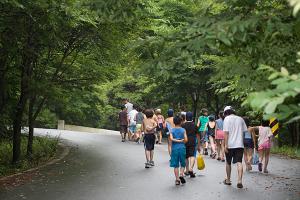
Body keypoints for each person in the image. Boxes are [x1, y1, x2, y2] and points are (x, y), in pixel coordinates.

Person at [223, 106, 247, 189]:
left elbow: (226, 133)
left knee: (228, 162)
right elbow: (244, 133)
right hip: (239, 144)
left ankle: (228, 180)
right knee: (239, 162)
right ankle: (239, 181)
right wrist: (242, 142)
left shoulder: (226, 119)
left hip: (230, 144)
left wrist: (225, 145)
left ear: (226, 113)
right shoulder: (240, 119)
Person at [170, 115, 188, 185]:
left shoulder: (172, 130)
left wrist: (176, 140)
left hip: (174, 149)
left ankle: (177, 179)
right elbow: (186, 140)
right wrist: (181, 141)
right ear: (181, 122)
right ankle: (181, 174)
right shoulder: (183, 130)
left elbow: (171, 139)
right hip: (182, 148)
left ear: (174, 122)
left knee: (176, 165)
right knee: (183, 163)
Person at [182, 112, 198, 178]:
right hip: (193, 142)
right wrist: (199, 144)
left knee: (186, 156)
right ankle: (191, 168)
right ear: (192, 118)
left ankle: (187, 170)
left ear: (186, 117)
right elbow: (198, 135)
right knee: (192, 155)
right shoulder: (195, 125)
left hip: (185, 142)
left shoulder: (183, 125)